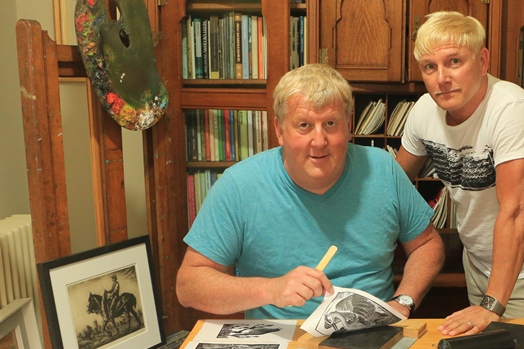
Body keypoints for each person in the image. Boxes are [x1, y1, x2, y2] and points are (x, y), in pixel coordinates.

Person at [176, 63, 445, 319]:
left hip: (371, 333)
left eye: (330, 124)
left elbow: (427, 244)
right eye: (304, 125)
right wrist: (271, 290)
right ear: (280, 130)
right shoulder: (238, 186)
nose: (319, 142)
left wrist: (403, 302)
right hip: (279, 340)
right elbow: (189, 286)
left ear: (349, 125)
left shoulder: (383, 169)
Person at [396, 11, 524, 335]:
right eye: (430, 67)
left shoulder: (512, 109)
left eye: (454, 62)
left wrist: (491, 304)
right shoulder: (423, 110)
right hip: (477, 258)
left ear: (483, 60)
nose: (441, 78)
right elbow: (394, 182)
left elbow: (517, 212)